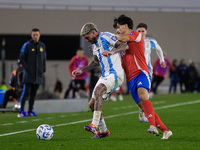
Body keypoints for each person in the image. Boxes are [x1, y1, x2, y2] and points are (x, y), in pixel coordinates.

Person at [110, 15, 172, 139]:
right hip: (130, 79)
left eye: (118, 27)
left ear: (125, 26)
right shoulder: (120, 43)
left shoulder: (136, 35)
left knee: (143, 96)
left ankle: (152, 126)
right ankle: (166, 130)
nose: (117, 30)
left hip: (142, 72)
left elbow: (123, 37)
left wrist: (106, 36)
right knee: (144, 107)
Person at [72, 22, 128, 138]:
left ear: (93, 32)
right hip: (105, 75)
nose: (87, 40)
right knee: (91, 104)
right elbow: (96, 62)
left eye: (87, 37)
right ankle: (103, 131)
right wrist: (82, 70)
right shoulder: (94, 45)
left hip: (115, 74)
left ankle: (94, 125)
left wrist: (112, 51)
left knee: (98, 91)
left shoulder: (106, 36)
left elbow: (124, 46)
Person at [136, 23, 166, 121]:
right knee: (137, 92)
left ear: (146, 32)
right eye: (139, 31)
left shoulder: (150, 41)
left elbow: (159, 49)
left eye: (142, 31)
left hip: (147, 70)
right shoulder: (132, 41)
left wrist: (161, 60)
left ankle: (143, 112)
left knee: (145, 91)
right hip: (135, 70)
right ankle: (142, 110)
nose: (141, 33)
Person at [18, 28, 46, 117]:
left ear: (39, 35)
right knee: (26, 93)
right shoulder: (27, 45)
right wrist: (28, 69)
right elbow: (21, 59)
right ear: (31, 35)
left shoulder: (42, 46)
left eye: (37, 35)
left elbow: (44, 59)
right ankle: (21, 111)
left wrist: (43, 69)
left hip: (38, 75)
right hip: (28, 75)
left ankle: (30, 111)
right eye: (34, 35)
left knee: (33, 94)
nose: (35, 36)